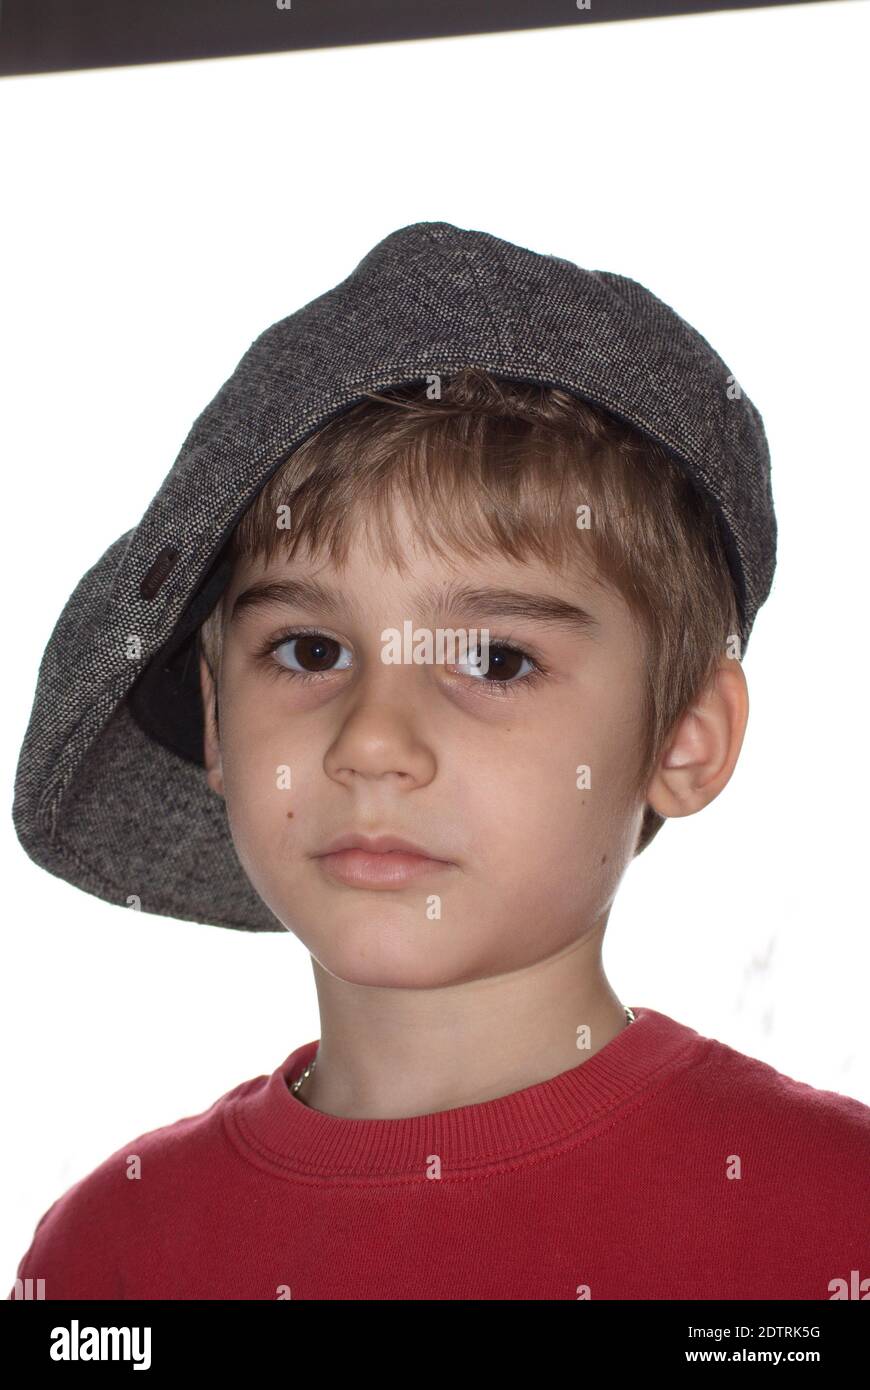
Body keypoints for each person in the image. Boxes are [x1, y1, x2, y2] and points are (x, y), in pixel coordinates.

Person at [9, 222, 868, 1300]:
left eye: (497, 658)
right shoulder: (106, 1262)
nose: (371, 739)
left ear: (683, 738)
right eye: (310, 650)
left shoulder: (835, 1221)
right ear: (219, 724)